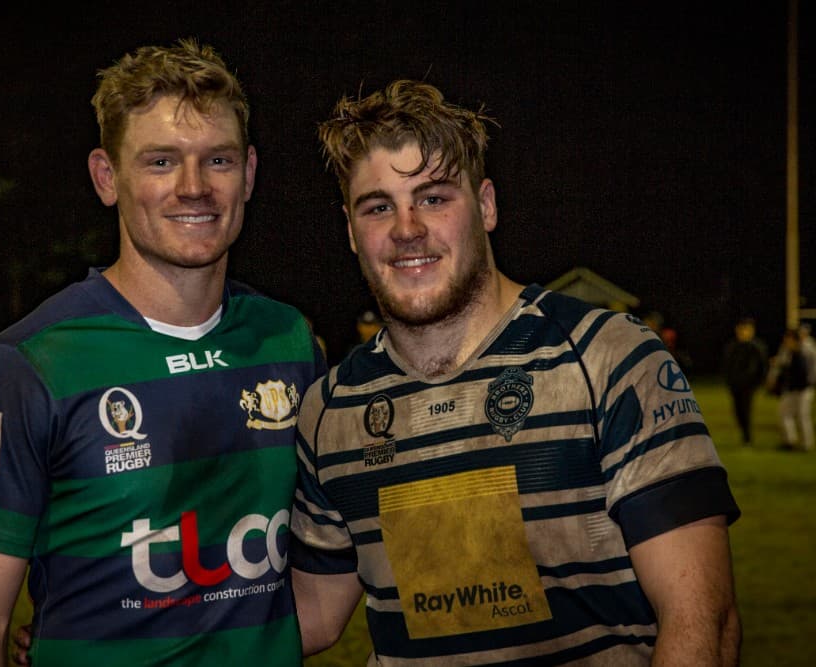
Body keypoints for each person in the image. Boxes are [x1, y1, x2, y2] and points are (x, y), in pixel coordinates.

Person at [289, 80, 741, 665]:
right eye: (378, 206)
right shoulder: (331, 409)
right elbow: (314, 616)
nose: (406, 229)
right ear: (351, 232)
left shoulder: (607, 357)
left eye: (433, 198)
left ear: (486, 205)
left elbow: (703, 622)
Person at [0, 39, 324, 667]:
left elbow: (323, 581)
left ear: (249, 173)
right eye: (161, 162)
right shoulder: (27, 364)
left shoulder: (289, 342)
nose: (193, 188)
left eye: (216, 160)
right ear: (107, 178)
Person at [721, 316, 769, 445]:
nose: (743, 332)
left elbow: (762, 366)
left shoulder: (757, 346)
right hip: (735, 385)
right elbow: (727, 366)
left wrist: (759, 382)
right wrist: (729, 381)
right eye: (741, 329)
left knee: (746, 410)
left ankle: (747, 437)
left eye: (746, 329)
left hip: (749, 385)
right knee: (738, 411)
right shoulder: (732, 346)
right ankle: (745, 433)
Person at [768, 328, 813, 451]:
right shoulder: (788, 352)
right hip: (791, 390)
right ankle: (789, 441)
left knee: (803, 416)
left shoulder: (804, 351)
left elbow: (804, 373)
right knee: (784, 414)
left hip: (803, 390)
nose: (786, 341)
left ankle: (806, 444)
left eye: (789, 339)